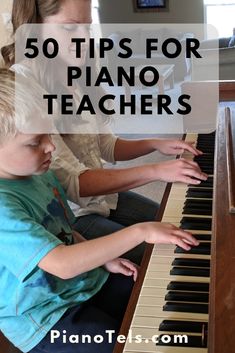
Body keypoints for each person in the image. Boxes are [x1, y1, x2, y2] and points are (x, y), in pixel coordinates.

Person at [0, 68, 199, 353]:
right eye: (35, 142)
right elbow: (62, 262)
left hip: (82, 283)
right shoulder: (3, 207)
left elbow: (65, 232)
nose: (51, 146)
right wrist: (140, 232)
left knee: (150, 298)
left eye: (48, 134)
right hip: (46, 318)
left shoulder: (38, 173)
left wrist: (104, 260)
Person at [1, 0, 207, 265]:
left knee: (178, 225)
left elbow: (105, 146)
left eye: (88, 27)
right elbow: (76, 184)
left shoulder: (77, 70)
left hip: (104, 200)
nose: (84, 39)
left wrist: (155, 143)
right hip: (74, 216)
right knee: (170, 254)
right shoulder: (26, 86)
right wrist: (156, 171)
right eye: (70, 28)